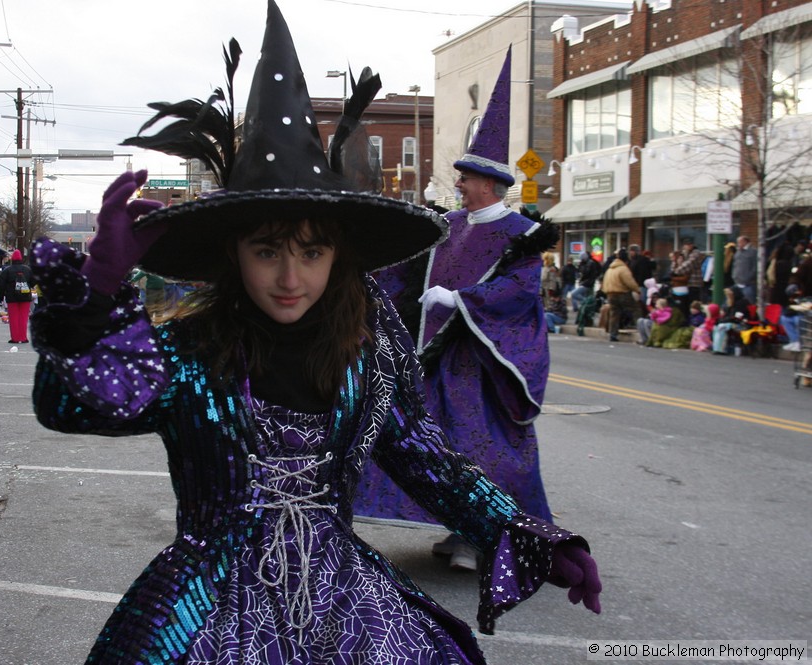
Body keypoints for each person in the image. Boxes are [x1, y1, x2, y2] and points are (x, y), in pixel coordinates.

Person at [30, 7, 600, 662]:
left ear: (340, 257)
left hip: (346, 613)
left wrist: (527, 534)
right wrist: (99, 286)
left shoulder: (365, 357)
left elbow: (428, 460)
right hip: (200, 617)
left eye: (312, 252)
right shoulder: (185, 353)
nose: (290, 276)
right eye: (267, 251)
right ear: (234, 252)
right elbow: (67, 405)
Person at [356, 46, 556, 573]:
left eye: (465, 179)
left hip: (483, 366)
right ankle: (457, 524)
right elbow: (406, 273)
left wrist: (462, 300)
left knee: (481, 446)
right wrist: (359, 275)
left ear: (487, 183)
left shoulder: (521, 235)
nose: (460, 185)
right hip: (435, 362)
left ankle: (488, 535)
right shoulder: (450, 229)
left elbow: (521, 292)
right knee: (431, 444)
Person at [601, 249, 639, 342]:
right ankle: (641, 331)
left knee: (614, 314)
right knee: (635, 310)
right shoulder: (623, 269)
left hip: (610, 294)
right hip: (622, 293)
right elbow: (630, 282)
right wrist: (637, 290)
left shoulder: (610, 269)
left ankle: (613, 334)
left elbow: (604, 282)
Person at [0, 249, 34, 343]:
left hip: (12, 297)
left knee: (13, 318)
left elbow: (1, 285)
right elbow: (33, 281)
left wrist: (1, 297)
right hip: (25, 296)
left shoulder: (7, 271)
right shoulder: (27, 269)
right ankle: (23, 337)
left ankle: (15, 338)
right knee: (23, 318)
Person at [731, 235, 757, 304]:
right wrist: (734, 275)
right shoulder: (738, 252)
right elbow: (735, 265)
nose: (738, 244)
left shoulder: (753, 252)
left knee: (750, 302)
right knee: (732, 301)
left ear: (745, 242)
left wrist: (749, 277)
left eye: (739, 242)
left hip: (748, 284)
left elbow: (755, 267)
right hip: (737, 281)